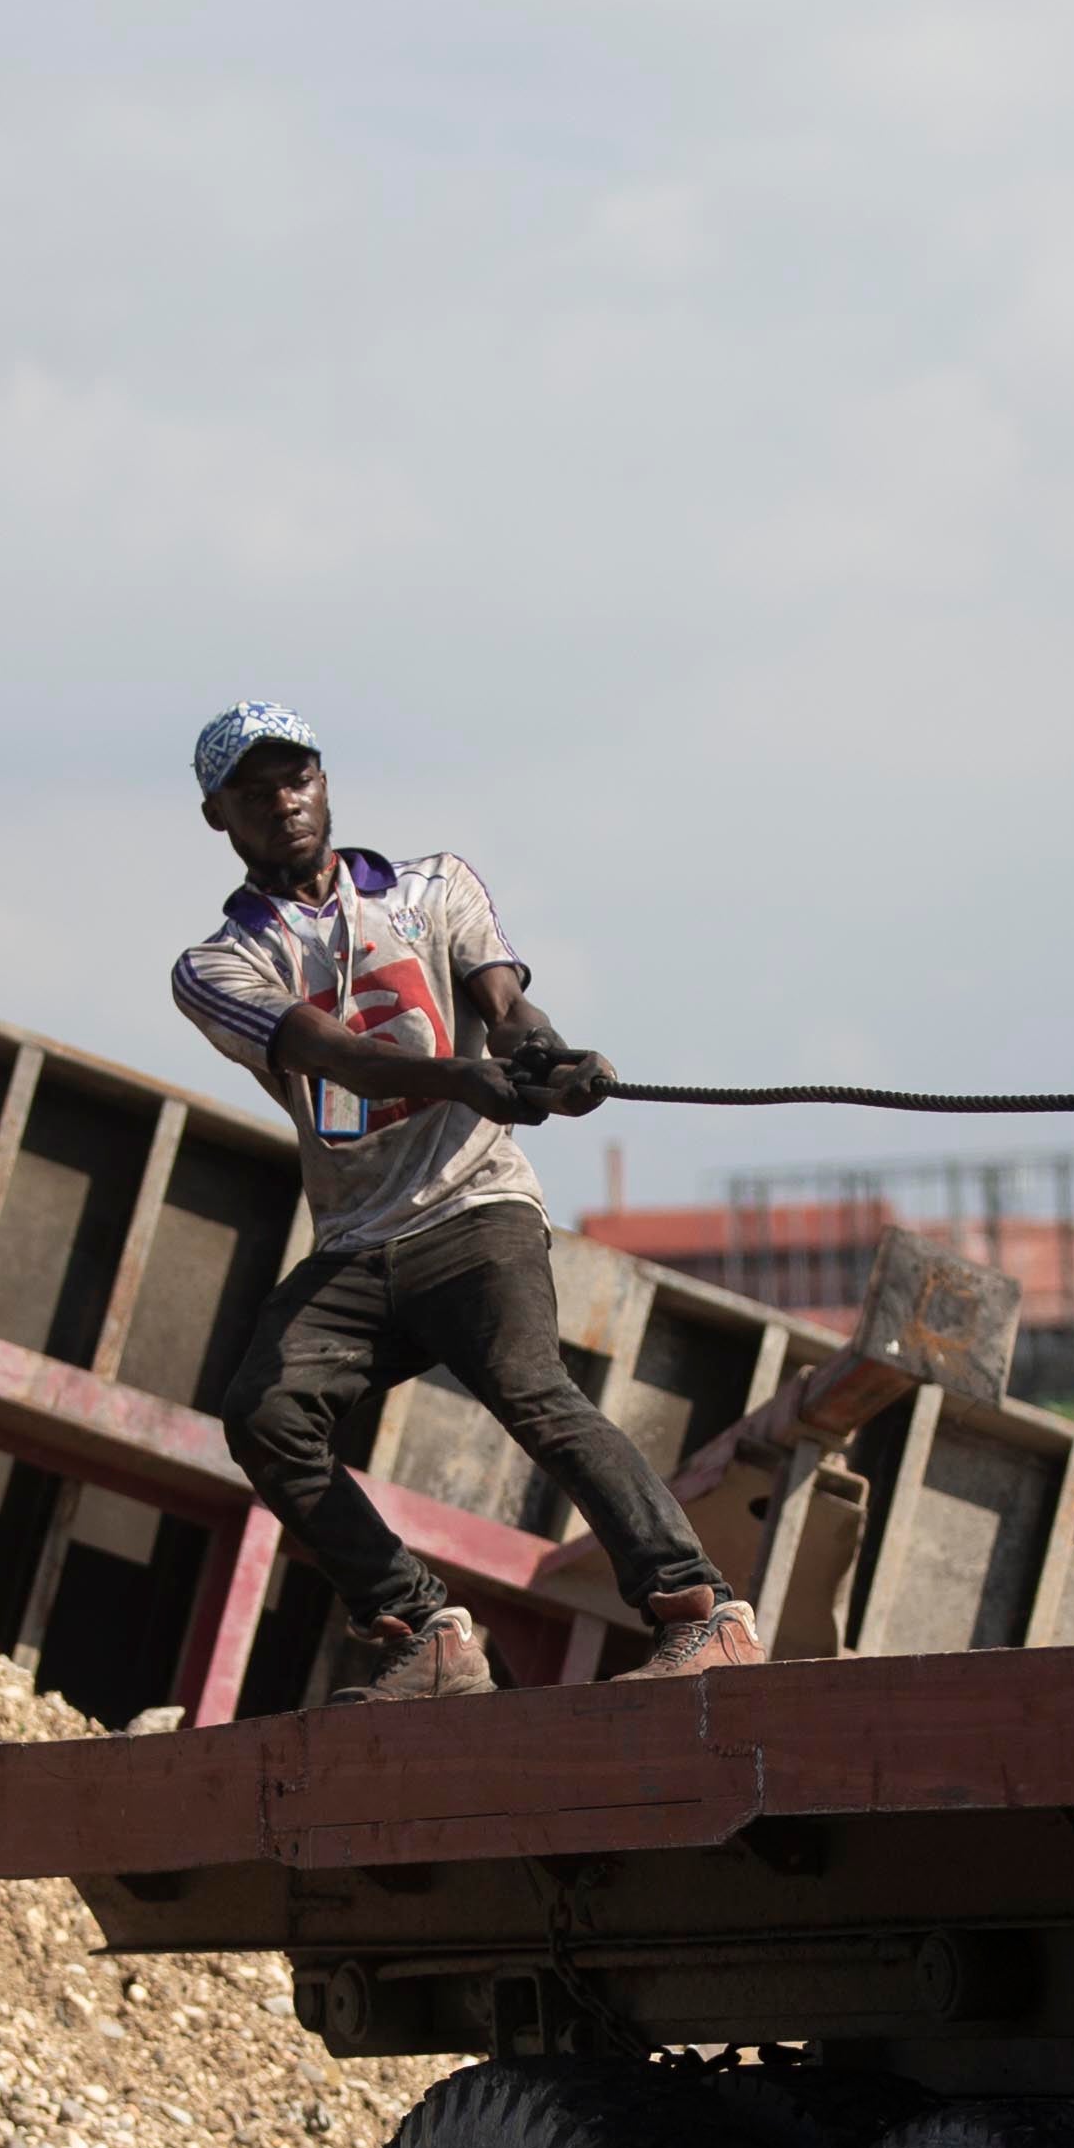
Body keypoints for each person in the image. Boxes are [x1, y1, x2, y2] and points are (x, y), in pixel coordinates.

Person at [170, 704, 764, 1702]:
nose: (284, 803)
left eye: (297, 778)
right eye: (255, 791)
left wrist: (549, 1058)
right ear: (216, 815)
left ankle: (702, 1611)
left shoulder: (434, 888)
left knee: (531, 1390)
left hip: (476, 1206)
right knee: (266, 1416)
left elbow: (506, 1007)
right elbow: (328, 1051)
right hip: (358, 1242)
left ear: (324, 782)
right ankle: (426, 1634)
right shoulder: (219, 965)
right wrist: (463, 1078)